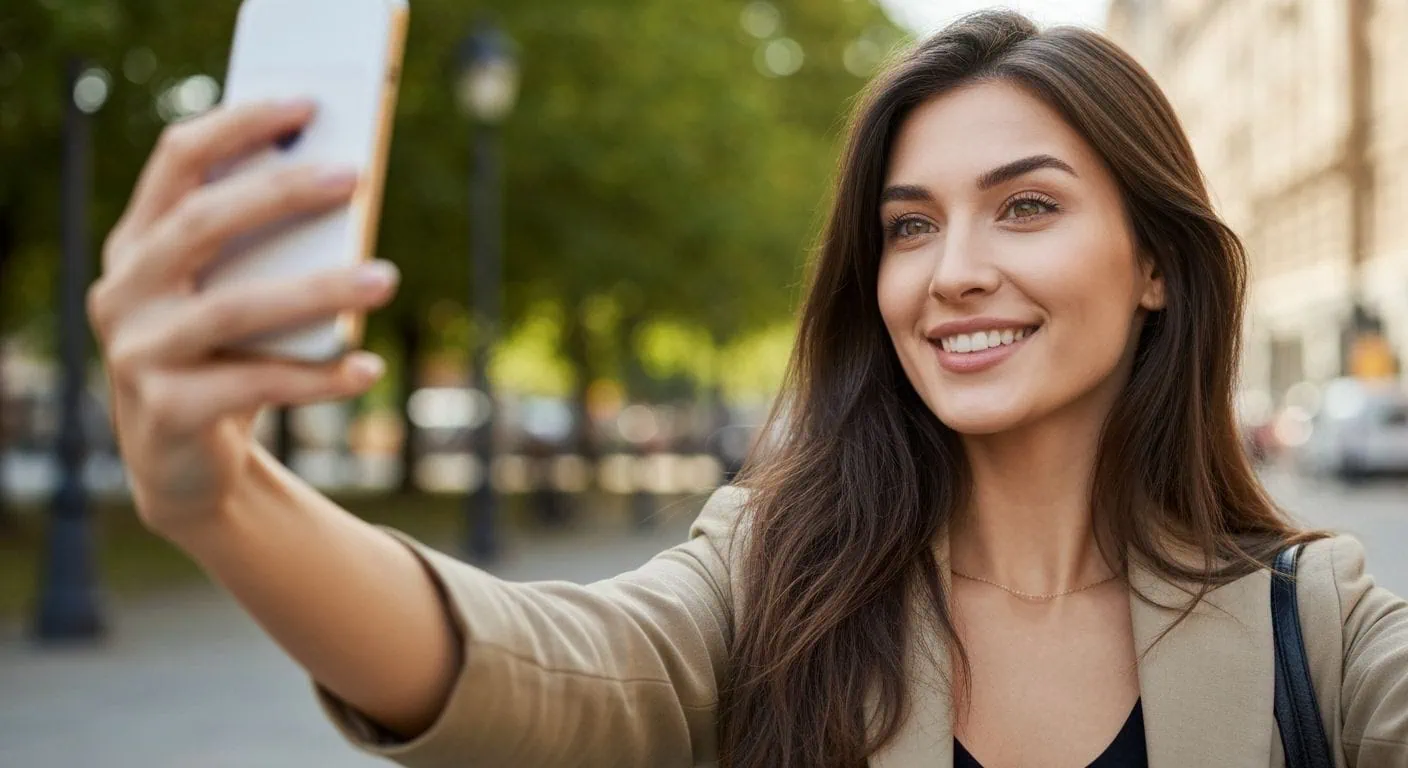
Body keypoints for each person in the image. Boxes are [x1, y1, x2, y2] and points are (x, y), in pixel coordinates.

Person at [89, 9, 1408, 768]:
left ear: (1155, 267)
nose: (953, 271)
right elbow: (535, 673)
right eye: (906, 225)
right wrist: (229, 503)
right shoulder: (775, 575)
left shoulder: (1324, 627)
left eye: (1025, 207)